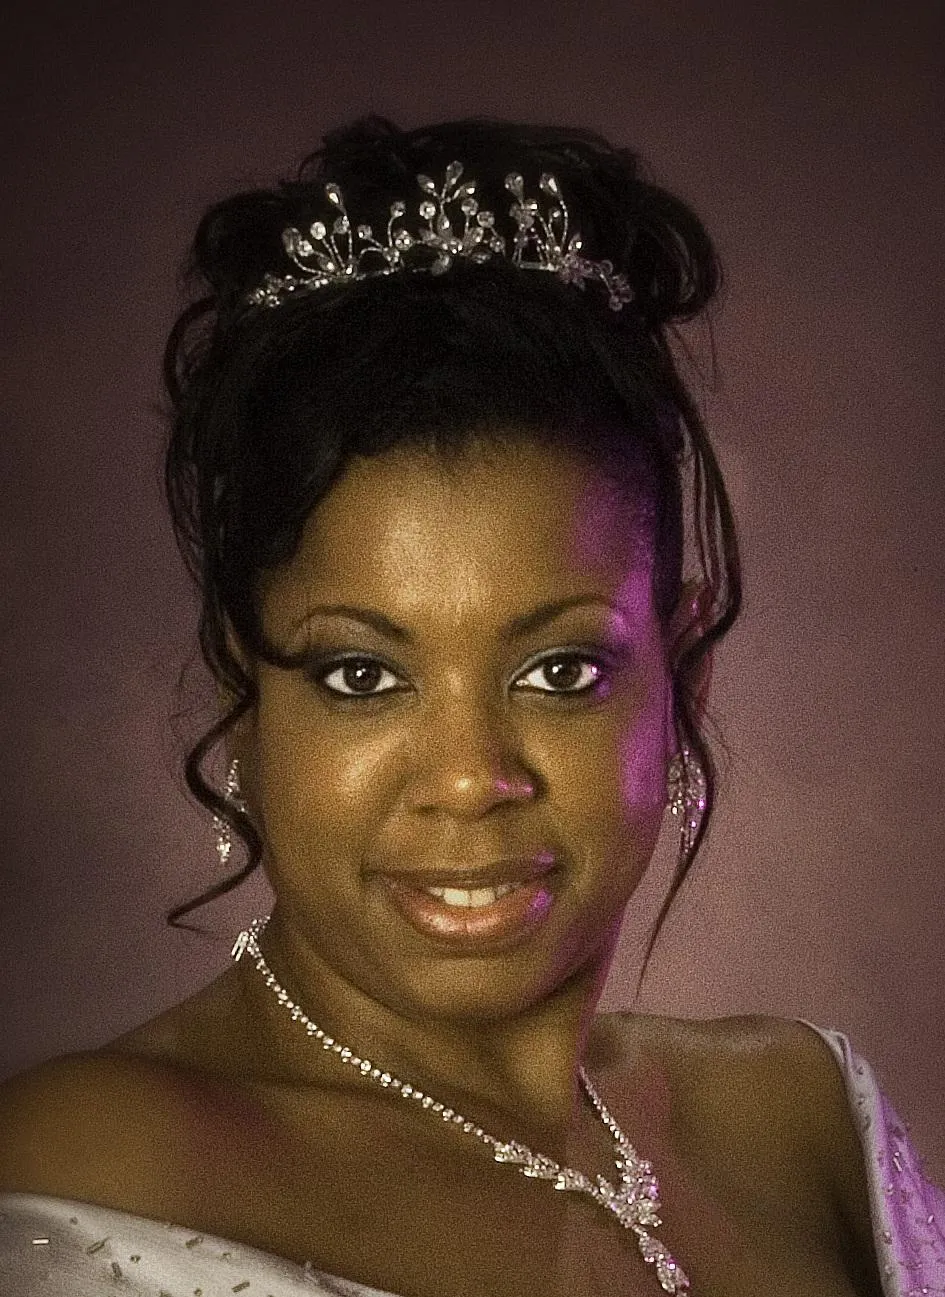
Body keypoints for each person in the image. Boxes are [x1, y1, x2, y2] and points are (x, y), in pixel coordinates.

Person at [0, 115, 941, 1297]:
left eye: (560, 671)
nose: (469, 777)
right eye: (361, 675)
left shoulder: (806, 1121)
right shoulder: (90, 1168)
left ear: (683, 675)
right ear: (245, 696)